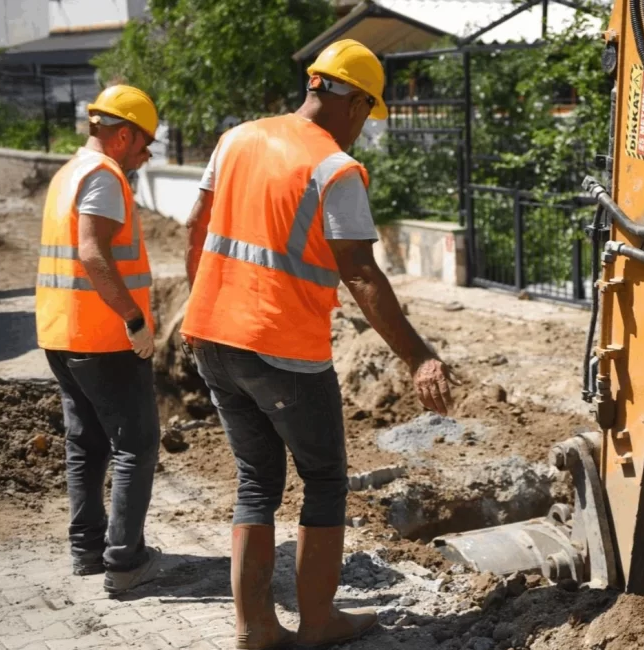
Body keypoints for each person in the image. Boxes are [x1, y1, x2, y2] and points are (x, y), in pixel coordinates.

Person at [181, 39, 456, 649]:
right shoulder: (335, 168)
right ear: (355, 101)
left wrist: (196, 301)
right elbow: (360, 272)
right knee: (325, 479)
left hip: (212, 337)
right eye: (368, 111)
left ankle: (255, 630)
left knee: (256, 481)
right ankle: (319, 623)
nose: (363, 126)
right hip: (281, 347)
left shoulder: (236, 138)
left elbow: (196, 227)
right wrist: (420, 356)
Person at [35, 84, 163, 595]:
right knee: (136, 444)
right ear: (123, 134)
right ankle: (125, 561)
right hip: (103, 335)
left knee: (86, 443)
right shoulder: (105, 176)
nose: (147, 154)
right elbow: (92, 253)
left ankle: (87, 550)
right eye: (144, 143)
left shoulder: (67, 172)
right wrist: (134, 320)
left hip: (60, 331)